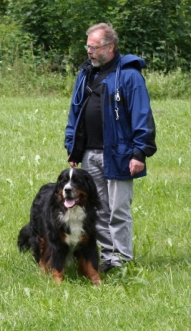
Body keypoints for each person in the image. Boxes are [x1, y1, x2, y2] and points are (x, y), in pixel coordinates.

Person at [64, 22, 156, 273]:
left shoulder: (129, 75)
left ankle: (122, 259)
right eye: (88, 46)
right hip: (89, 153)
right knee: (97, 208)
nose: (89, 52)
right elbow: (75, 112)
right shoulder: (85, 74)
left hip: (121, 154)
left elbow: (142, 114)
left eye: (94, 47)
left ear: (110, 47)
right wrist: (73, 147)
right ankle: (107, 256)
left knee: (118, 209)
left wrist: (140, 152)